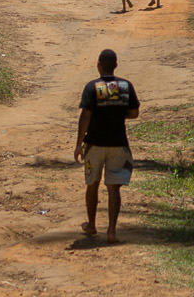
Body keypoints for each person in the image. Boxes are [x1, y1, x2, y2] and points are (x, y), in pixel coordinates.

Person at [75, 48, 140, 244]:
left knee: (92, 184)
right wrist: (118, 115)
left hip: (95, 144)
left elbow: (85, 115)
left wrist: (79, 144)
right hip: (118, 143)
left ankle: (93, 224)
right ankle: (111, 231)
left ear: (98, 65)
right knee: (114, 189)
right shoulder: (126, 86)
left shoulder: (91, 87)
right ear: (116, 66)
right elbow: (134, 113)